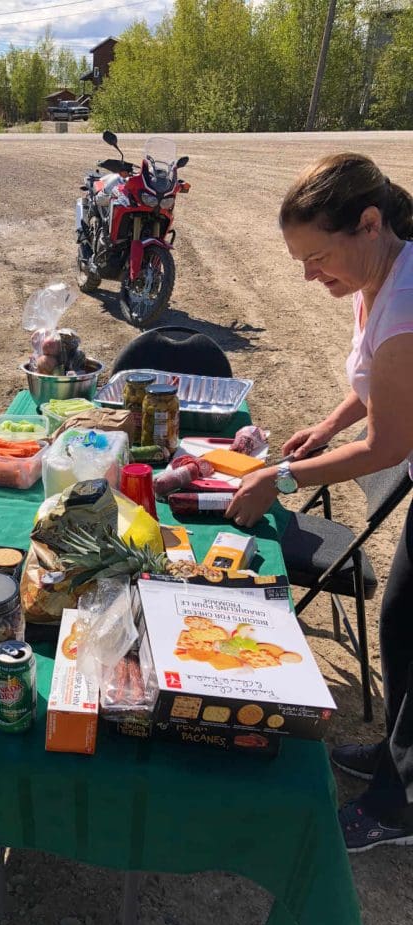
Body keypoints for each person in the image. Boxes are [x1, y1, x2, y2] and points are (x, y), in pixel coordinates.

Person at [226, 153, 413, 852]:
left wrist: (284, 479)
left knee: (412, 634)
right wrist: (331, 424)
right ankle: (397, 759)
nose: (309, 276)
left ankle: (399, 808)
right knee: (400, 627)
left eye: (317, 257)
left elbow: (389, 445)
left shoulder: (407, 300)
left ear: (368, 224)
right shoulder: (379, 274)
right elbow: (375, 383)